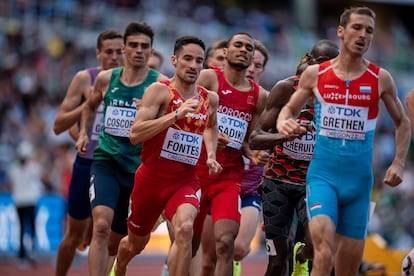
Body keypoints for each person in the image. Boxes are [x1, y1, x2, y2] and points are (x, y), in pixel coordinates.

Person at [276, 6, 411, 275]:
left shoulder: (380, 78)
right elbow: (288, 109)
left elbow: (403, 123)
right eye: (356, 28)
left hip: (359, 185)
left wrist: (397, 163)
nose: (363, 35)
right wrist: (283, 121)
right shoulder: (316, 75)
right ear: (341, 31)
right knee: (323, 252)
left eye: (369, 31)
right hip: (323, 177)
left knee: (347, 268)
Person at [113, 35, 222, 276]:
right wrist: (175, 116)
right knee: (134, 245)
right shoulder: (159, 92)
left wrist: (211, 154)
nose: (193, 65)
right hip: (150, 181)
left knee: (185, 230)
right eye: (188, 59)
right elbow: (135, 134)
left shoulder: (209, 99)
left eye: (199, 61)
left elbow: (211, 126)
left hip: (184, 182)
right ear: (174, 60)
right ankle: (119, 266)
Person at [75, 21, 167, 276]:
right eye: (133, 45)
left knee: (117, 241)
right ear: (124, 49)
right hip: (106, 162)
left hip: (138, 170)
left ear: (151, 51)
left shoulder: (160, 85)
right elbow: (89, 106)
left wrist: (148, 117)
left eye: (144, 46)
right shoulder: (107, 79)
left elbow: (171, 126)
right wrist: (83, 133)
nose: (139, 50)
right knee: (100, 226)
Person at [249, 39, 339, 276]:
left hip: (313, 182)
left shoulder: (338, 97)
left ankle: (301, 256)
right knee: (277, 261)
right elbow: (256, 138)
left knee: (315, 244)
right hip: (277, 181)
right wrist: (286, 135)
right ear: (315, 63)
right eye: (328, 65)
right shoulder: (286, 88)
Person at [193, 32, 268, 276]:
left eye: (249, 47)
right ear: (225, 52)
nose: (244, 50)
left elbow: (247, 141)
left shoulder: (259, 96)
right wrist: (210, 130)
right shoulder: (209, 78)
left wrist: (252, 153)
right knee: (193, 249)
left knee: (225, 244)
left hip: (228, 177)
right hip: (195, 172)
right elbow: (186, 112)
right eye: (238, 45)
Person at [53, 28, 124, 276]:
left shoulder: (134, 83)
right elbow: (59, 124)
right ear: (98, 54)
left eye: (119, 52)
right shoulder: (85, 79)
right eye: (109, 52)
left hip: (117, 167)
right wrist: (89, 105)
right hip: (88, 162)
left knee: (106, 233)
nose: (114, 57)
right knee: (75, 235)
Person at [232, 39, 270, 276]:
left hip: (250, 188)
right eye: (250, 63)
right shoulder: (224, 95)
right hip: (221, 179)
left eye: (259, 65)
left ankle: (233, 265)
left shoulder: (268, 102)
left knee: (238, 248)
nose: (253, 69)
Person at [8, 140, 46, 267]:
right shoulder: (32, 167)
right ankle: (29, 253)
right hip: (28, 200)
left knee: (24, 228)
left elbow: (11, 183)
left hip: (21, 200)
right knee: (29, 227)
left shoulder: (15, 168)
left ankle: (24, 254)